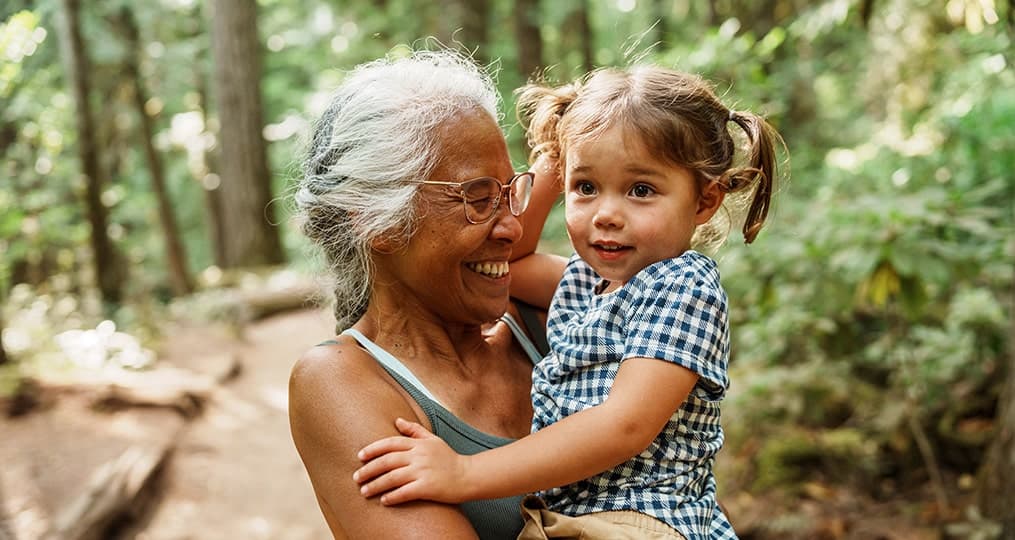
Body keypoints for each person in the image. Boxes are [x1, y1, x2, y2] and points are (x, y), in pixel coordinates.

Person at [353, 65, 784, 540]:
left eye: (640, 190)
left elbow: (624, 426)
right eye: (585, 188)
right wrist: (558, 155)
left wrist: (464, 475)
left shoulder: (684, 287)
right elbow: (512, 256)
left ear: (704, 202)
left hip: (642, 521)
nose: (605, 215)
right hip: (574, 518)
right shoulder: (584, 282)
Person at [288, 49, 566, 540]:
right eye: (477, 198)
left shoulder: (550, 317)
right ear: (378, 220)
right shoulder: (339, 383)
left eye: (509, 193)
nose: (511, 227)